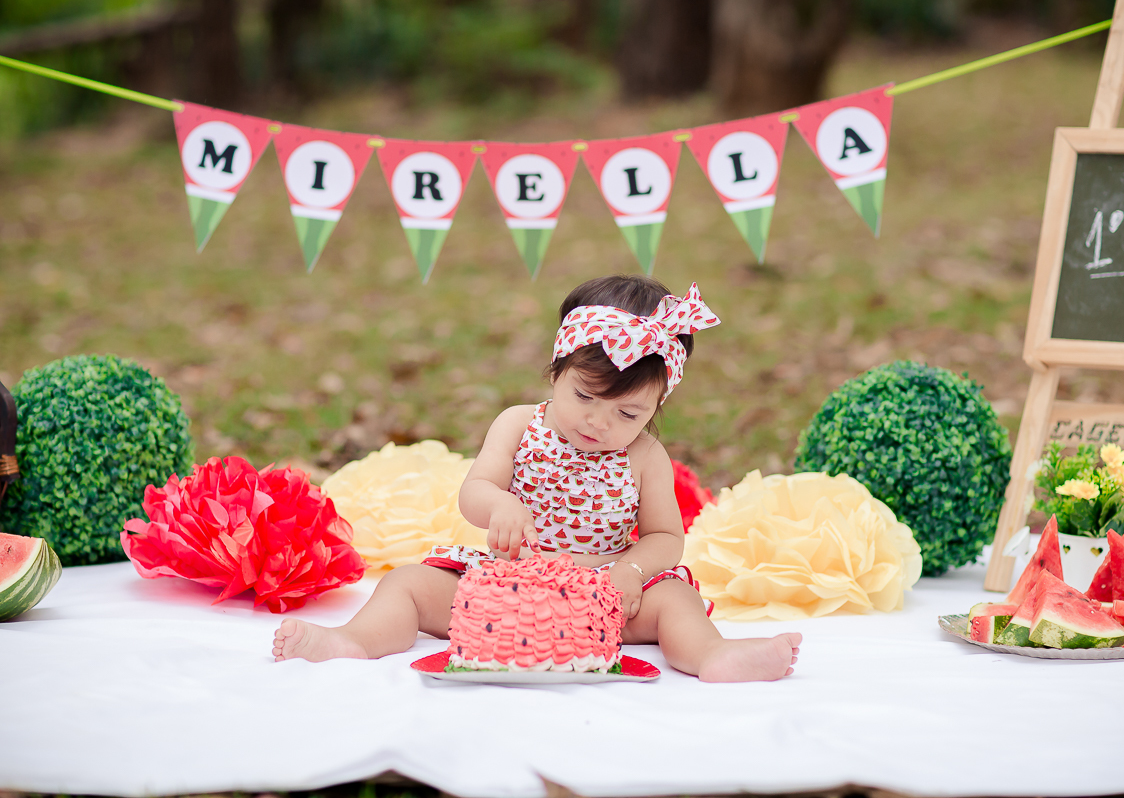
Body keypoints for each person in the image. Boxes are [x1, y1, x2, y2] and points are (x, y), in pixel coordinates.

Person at [273, 275, 802, 681]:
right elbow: (474, 490)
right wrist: (499, 507)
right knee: (407, 583)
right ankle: (354, 641)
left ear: (656, 406)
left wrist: (632, 572)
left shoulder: (645, 456)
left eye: (627, 414)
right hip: (507, 584)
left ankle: (714, 656)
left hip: (603, 593)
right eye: (586, 397)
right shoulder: (520, 424)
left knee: (676, 603)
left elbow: (666, 537)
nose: (598, 422)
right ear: (556, 371)